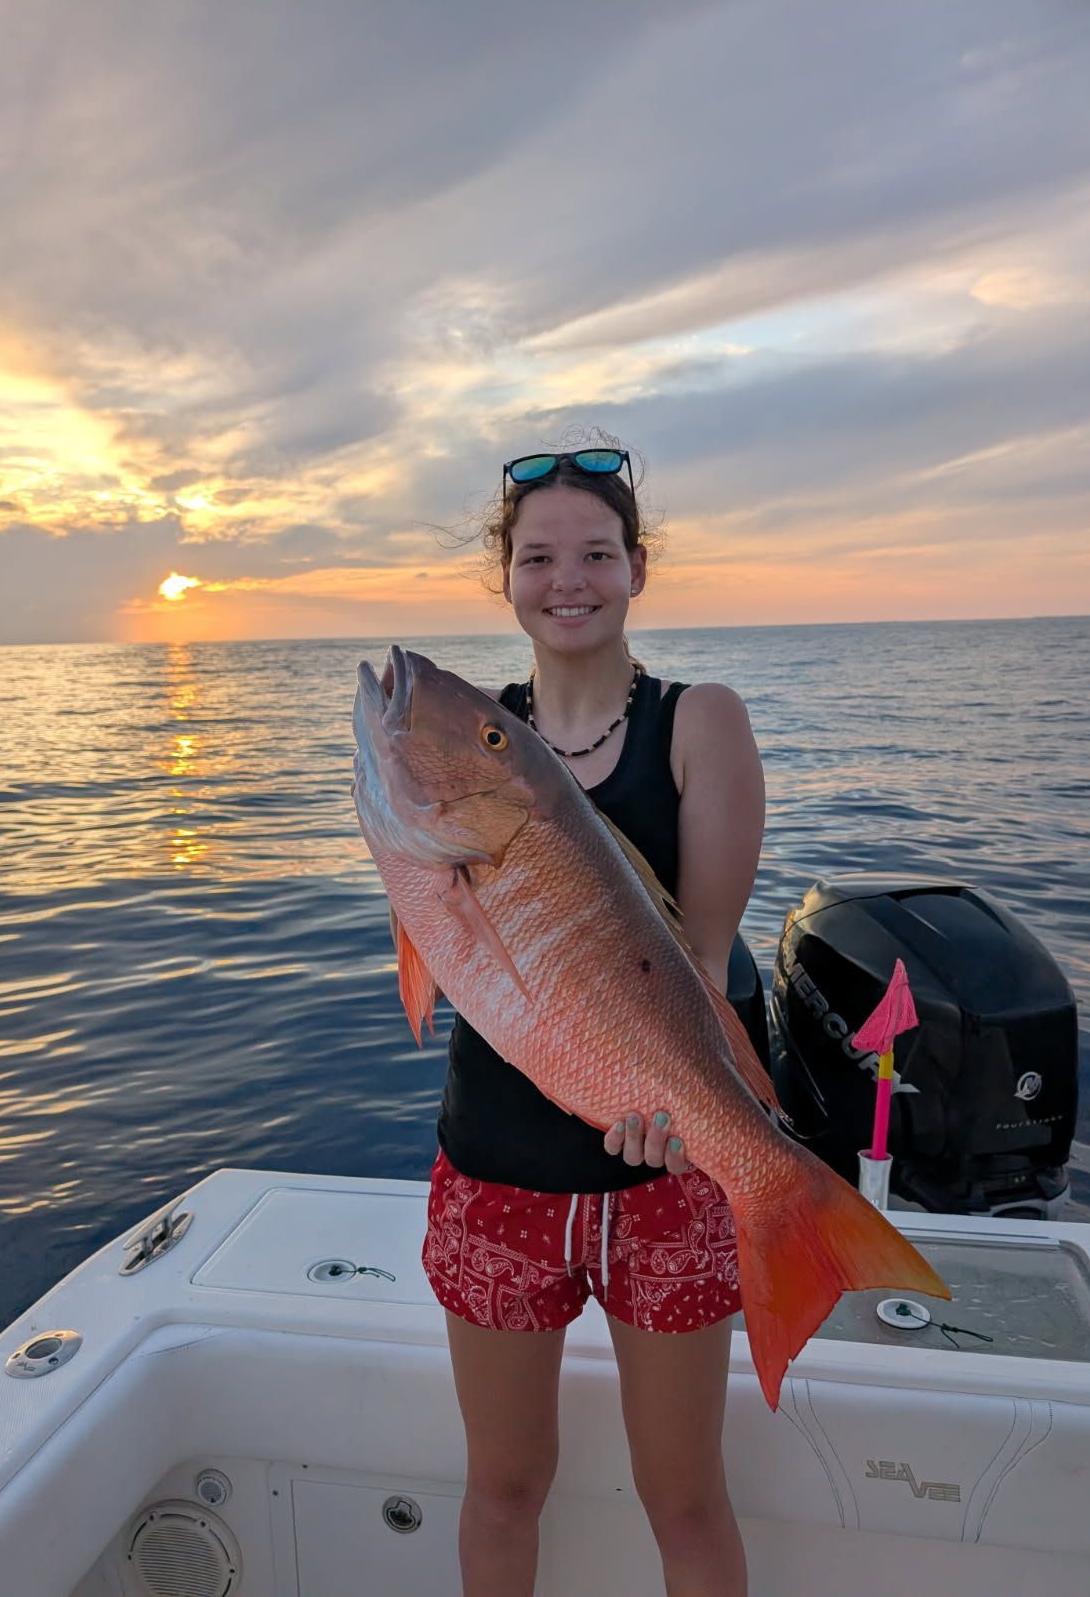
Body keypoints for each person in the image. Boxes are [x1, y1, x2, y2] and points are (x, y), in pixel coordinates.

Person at [418, 443, 765, 1597]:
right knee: (502, 1490)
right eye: (537, 558)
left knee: (685, 1502)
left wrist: (696, 1115)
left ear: (636, 570)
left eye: (596, 554)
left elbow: (704, 961)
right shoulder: (473, 740)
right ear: (505, 578)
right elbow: (438, 939)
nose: (567, 580)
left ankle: (794, 1221)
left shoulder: (698, 720)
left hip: (665, 1177)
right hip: (495, 1172)